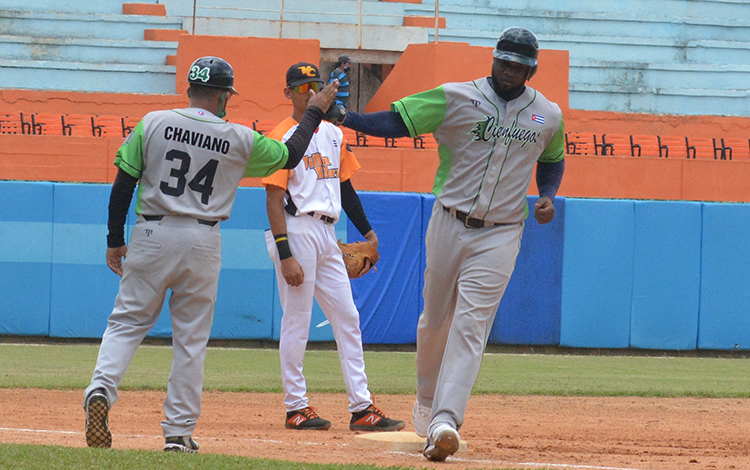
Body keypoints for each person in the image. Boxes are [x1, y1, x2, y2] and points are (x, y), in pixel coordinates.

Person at [83, 56, 338, 453]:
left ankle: (100, 391)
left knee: (127, 323)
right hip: (203, 238)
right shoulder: (237, 136)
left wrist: (115, 238)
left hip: (152, 230)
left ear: (189, 90)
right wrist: (315, 112)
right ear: (223, 96)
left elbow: (123, 183)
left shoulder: (153, 122)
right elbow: (290, 155)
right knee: (190, 339)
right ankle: (178, 434)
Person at [334, 27, 565, 460]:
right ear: (493, 59)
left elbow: (552, 160)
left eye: (519, 65)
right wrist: (346, 119)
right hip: (448, 221)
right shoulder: (457, 96)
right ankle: (426, 399)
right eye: (504, 61)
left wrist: (548, 194)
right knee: (434, 320)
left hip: (502, 231)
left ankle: (445, 419)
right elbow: (396, 122)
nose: (509, 70)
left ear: (531, 69)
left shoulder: (548, 115)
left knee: (471, 325)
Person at [263, 62, 405, 433]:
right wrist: (285, 252)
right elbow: (274, 198)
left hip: (328, 233)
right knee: (298, 319)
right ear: (288, 93)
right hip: (295, 229)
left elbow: (345, 187)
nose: (311, 92)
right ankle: (296, 407)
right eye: (303, 86)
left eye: (316, 86)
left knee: (348, 316)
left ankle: (362, 408)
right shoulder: (282, 135)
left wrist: (369, 231)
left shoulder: (333, 134)